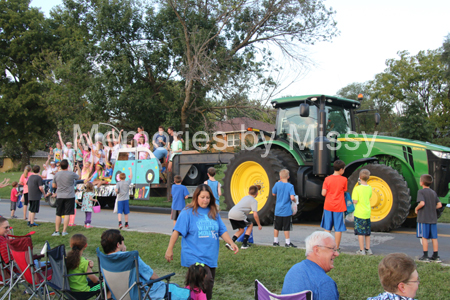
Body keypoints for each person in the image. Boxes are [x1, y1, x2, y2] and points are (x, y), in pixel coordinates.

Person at [165, 184, 239, 300]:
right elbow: (176, 232)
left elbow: (222, 230)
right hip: (194, 256)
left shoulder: (213, 212)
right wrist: (169, 250)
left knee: (205, 287)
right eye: (202, 197)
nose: (205, 200)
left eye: (208, 198)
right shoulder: (188, 212)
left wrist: (231, 242)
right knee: (206, 280)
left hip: (210, 257)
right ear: (196, 197)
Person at [101, 229, 166, 299]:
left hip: (119, 296)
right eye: (122, 239)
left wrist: (122, 252)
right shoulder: (130, 257)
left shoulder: (104, 260)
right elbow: (151, 275)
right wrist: (162, 280)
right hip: (144, 294)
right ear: (118, 244)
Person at [282, 231, 339, 299]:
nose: (337, 254)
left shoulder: (294, 270)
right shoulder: (324, 283)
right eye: (333, 249)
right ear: (317, 250)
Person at [321, 160, 347, 250]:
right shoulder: (344, 179)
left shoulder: (327, 179)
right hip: (339, 206)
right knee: (338, 228)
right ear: (341, 170)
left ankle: (326, 246)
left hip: (328, 206)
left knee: (327, 228)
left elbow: (323, 193)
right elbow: (344, 191)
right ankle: (336, 247)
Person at [415, 174, 442, 262]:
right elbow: (439, 204)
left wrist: (416, 208)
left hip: (424, 218)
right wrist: (432, 208)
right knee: (434, 237)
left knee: (424, 237)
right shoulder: (433, 192)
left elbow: (422, 203)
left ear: (422, 183)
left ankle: (425, 255)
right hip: (433, 218)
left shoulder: (421, 192)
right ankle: (435, 255)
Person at [227, 185, 262, 249]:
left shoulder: (245, 197)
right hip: (239, 214)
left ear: (248, 192)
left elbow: (242, 207)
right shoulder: (254, 201)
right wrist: (259, 224)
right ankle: (244, 244)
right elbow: (255, 215)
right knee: (250, 225)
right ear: (257, 193)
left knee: (241, 229)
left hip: (231, 213)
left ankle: (230, 243)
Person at [52, 159, 80, 236]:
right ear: (68, 166)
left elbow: (53, 185)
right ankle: (64, 231)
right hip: (69, 195)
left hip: (60, 195)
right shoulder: (71, 174)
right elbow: (79, 177)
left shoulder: (57, 174)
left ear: (60, 166)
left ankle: (57, 231)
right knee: (67, 213)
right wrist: (78, 168)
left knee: (58, 214)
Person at [272, 169, 297, 248]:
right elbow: (292, 198)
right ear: (288, 177)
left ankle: (275, 241)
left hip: (278, 210)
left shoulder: (277, 184)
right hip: (286, 210)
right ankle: (287, 242)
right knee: (286, 227)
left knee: (277, 226)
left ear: (280, 176)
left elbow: (273, 193)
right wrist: (295, 201)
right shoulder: (290, 186)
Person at [352, 169, 373, 255]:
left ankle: (361, 250)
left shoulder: (357, 189)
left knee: (360, 232)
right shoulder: (370, 188)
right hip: (367, 213)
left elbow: (355, 201)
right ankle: (368, 249)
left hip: (359, 213)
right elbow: (370, 196)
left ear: (359, 178)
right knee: (367, 232)